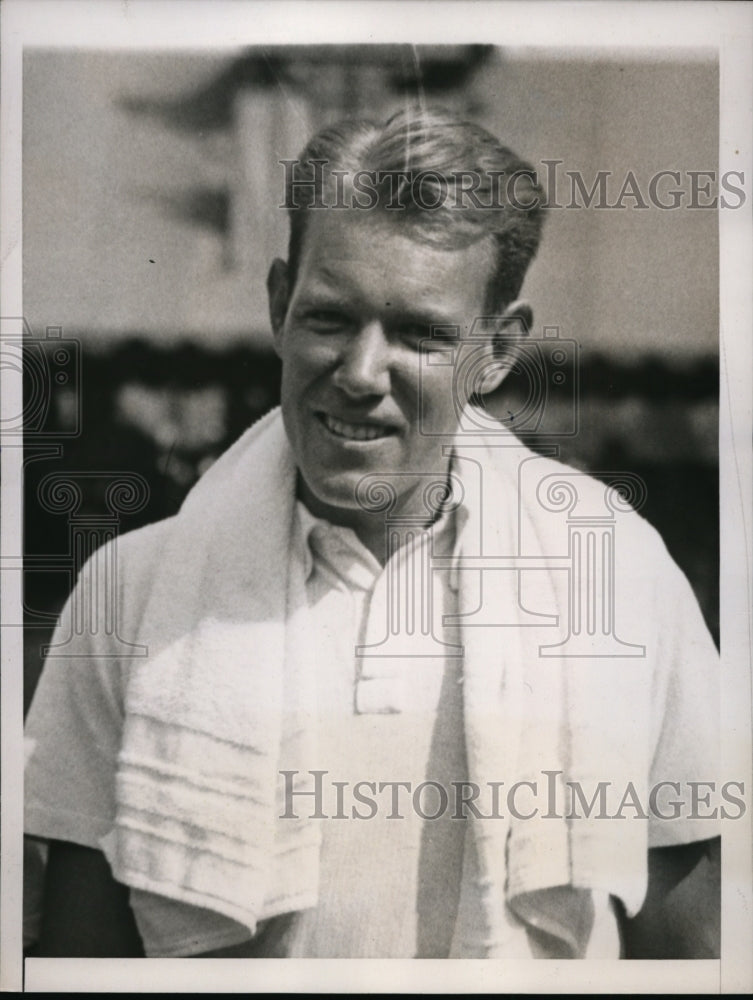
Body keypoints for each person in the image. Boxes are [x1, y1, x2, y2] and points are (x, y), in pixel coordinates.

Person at [23, 107, 720, 959]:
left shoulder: (614, 576)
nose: (358, 373)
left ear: (496, 350)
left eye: (419, 333)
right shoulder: (133, 591)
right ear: (279, 304)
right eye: (328, 318)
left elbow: (696, 950)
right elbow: (79, 959)